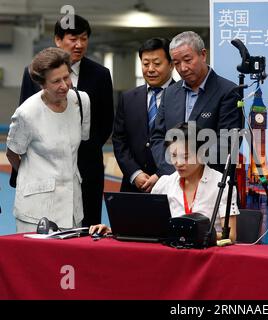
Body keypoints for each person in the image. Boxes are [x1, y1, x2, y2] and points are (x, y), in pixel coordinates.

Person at [13, 14, 114, 227]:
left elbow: (105, 123)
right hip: (44, 173)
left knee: (85, 232)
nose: (79, 44)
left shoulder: (100, 74)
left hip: (85, 169)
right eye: (73, 38)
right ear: (58, 40)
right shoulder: (34, 73)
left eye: (84, 38)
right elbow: (23, 123)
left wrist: (78, 153)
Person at [91, 122, 239, 242]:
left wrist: (194, 236)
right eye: (173, 155)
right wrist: (113, 231)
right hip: (170, 256)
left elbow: (230, 236)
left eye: (185, 156)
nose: (178, 163)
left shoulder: (221, 184)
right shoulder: (165, 183)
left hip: (207, 258)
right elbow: (144, 227)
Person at [6, 47, 91, 233]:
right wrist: (33, 175)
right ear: (42, 84)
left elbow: (82, 140)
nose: (65, 85)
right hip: (35, 209)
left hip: (73, 206)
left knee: (70, 261)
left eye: (66, 77)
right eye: (56, 81)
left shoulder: (81, 101)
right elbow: (12, 153)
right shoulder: (26, 113)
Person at [150, 31, 242, 180]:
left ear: (203, 54)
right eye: (177, 63)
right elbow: (158, 138)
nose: (183, 68)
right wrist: (172, 169)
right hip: (173, 180)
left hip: (210, 181)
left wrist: (192, 167)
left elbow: (227, 141)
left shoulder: (227, 91)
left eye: (187, 60)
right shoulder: (169, 94)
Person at [112, 38, 175, 193]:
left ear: (172, 64)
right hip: (133, 186)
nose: (150, 69)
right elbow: (119, 141)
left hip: (172, 185)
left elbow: (187, 143)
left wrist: (161, 174)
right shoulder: (128, 98)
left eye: (157, 63)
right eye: (146, 64)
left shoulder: (183, 96)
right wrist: (135, 173)